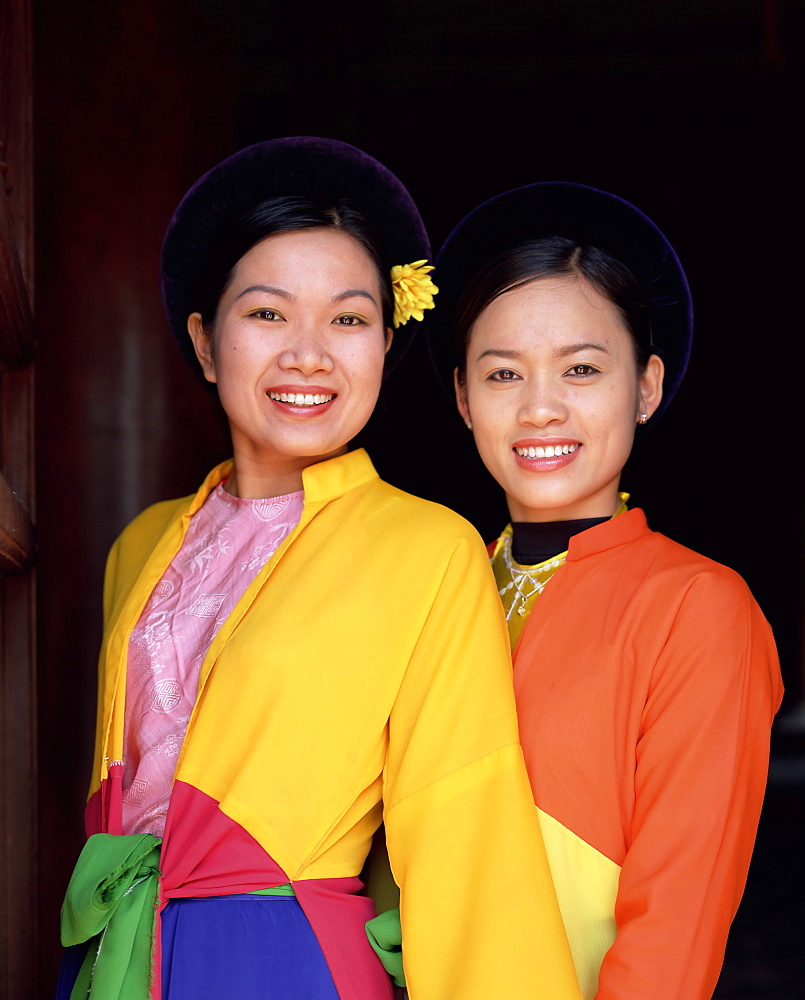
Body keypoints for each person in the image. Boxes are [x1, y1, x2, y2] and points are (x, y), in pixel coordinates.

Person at [57, 140, 582, 1000]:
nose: (309, 354)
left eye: (347, 319)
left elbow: (465, 827)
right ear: (203, 339)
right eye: (267, 315)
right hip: (115, 951)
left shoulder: (427, 548)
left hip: (286, 960)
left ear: (384, 341)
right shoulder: (142, 545)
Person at [426, 181, 783, 999]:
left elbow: (675, 927)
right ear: (461, 398)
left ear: (646, 387)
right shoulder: (434, 587)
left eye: (581, 369)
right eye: (503, 373)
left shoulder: (696, 607)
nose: (540, 407)